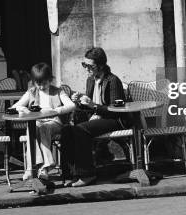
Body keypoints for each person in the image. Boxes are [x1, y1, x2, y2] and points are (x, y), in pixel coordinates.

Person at [60, 47, 130, 187]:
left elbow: (115, 110)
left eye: (90, 66)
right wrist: (79, 101)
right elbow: (89, 107)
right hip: (97, 117)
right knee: (66, 130)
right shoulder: (90, 80)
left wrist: (94, 106)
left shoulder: (112, 81)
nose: (86, 69)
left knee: (81, 130)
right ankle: (71, 174)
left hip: (114, 120)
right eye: (84, 65)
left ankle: (88, 175)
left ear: (101, 65)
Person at [10, 63, 75, 180]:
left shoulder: (58, 91)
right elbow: (14, 107)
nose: (40, 87)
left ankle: (37, 168)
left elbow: (71, 105)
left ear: (50, 80)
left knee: (43, 128)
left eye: (44, 83)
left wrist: (56, 110)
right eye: (37, 84)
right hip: (37, 123)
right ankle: (39, 167)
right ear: (34, 82)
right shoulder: (32, 92)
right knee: (32, 129)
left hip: (54, 122)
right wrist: (23, 109)